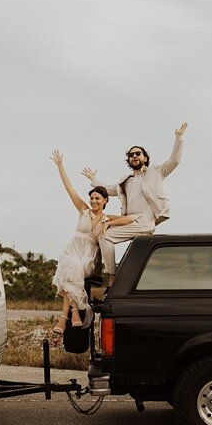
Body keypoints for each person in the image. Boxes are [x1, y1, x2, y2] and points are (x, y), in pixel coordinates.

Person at [82, 122, 187, 283]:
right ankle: (109, 275)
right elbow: (108, 190)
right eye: (131, 155)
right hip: (128, 221)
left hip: (144, 222)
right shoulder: (125, 180)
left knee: (105, 232)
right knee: (103, 236)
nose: (134, 156)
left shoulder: (156, 172)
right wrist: (93, 179)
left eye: (138, 153)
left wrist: (178, 137)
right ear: (129, 160)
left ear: (145, 158)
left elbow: (174, 161)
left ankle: (110, 278)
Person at [49, 150, 135, 333]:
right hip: (72, 250)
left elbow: (129, 219)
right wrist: (59, 165)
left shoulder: (106, 217)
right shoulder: (83, 210)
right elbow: (69, 188)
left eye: (97, 198)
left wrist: (109, 222)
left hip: (88, 256)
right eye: (92, 198)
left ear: (105, 201)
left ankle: (65, 317)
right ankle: (71, 314)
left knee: (75, 270)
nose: (93, 201)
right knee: (71, 267)